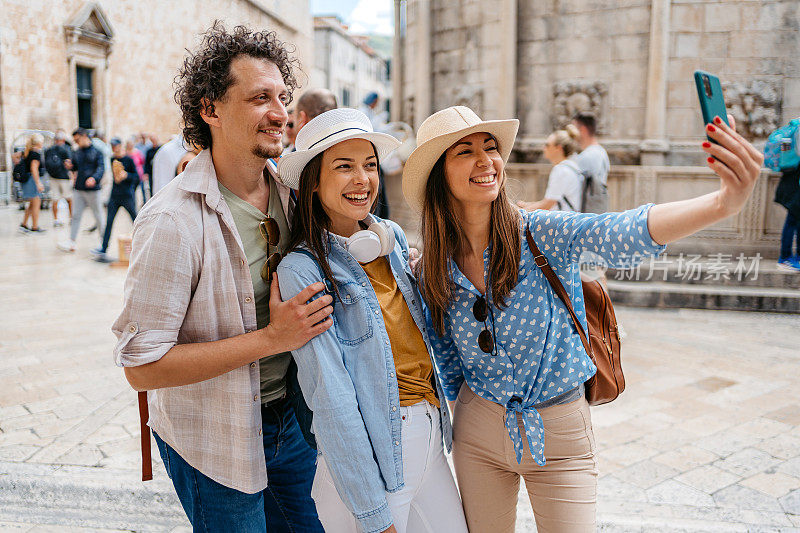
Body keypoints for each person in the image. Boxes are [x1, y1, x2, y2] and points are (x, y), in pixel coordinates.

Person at [401, 106, 763, 532]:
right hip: (477, 434)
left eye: (491, 147)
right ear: (438, 175)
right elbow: (446, 361)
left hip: (559, 432)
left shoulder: (541, 233)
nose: (486, 161)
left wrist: (723, 202)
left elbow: (624, 232)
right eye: (465, 151)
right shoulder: (431, 269)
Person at [112, 23, 331, 532]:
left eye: (282, 96)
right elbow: (142, 368)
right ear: (211, 110)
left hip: (293, 422)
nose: (280, 113)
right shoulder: (172, 221)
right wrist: (272, 338)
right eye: (259, 98)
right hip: (215, 438)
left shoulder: (294, 193)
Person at [275, 108, 468, 533]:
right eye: (344, 166)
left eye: (369, 165)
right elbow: (332, 399)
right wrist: (373, 515)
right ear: (313, 182)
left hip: (430, 435)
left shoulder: (391, 239)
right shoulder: (301, 271)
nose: (362, 179)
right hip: (376, 451)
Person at [57, 128, 105, 252]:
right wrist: (71, 166)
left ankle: (104, 242)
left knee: (98, 215)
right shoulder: (77, 152)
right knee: (76, 215)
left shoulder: (97, 152)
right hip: (79, 189)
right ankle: (71, 242)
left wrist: (94, 178)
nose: (76, 142)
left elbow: (101, 168)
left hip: (93, 190)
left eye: (77, 140)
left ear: (84, 136)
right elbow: (75, 167)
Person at [517, 125, 583, 212]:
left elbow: (547, 205)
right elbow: (552, 201)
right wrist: (528, 205)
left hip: (562, 223)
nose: (543, 148)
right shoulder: (572, 167)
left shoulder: (561, 170)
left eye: (547, 145)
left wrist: (519, 213)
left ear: (558, 148)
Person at [93, 138, 138, 263]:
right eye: (112, 146)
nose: (114, 148)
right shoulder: (113, 159)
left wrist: (127, 175)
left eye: (116, 145)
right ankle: (103, 248)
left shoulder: (129, 159)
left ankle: (145, 244)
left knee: (136, 220)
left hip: (127, 196)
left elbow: (136, 177)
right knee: (109, 222)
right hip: (114, 196)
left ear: (120, 146)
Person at [573, 111, 610, 213]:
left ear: (583, 130)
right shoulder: (601, 152)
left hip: (585, 213)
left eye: (574, 129)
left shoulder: (588, 156)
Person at [44, 129, 73, 226]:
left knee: (55, 199)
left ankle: (56, 220)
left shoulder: (49, 149)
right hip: (63, 177)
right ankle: (71, 218)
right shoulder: (66, 149)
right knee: (68, 198)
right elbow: (70, 162)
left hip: (53, 177)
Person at [19, 133, 46, 233]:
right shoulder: (36, 153)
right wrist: (38, 183)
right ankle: (35, 227)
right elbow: (34, 169)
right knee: (36, 203)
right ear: (39, 142)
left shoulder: (28, 152)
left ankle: (24, 224)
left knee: (31, 204)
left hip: (27, 180)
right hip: (32, 180)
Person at [774, 166, 800, 271]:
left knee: (796, 220)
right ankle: (785, 258)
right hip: (794, 186)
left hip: (793, 184)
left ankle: (795, 257)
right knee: (792, 220)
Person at [125, 136, 148, 202]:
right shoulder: (126, 153)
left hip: (139, 174)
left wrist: (144, 173)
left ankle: (144, 203)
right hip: (131, 175)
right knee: (132, 190)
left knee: (143, 190)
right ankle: (132, 202)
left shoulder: (137, 152)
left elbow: (143, 162)